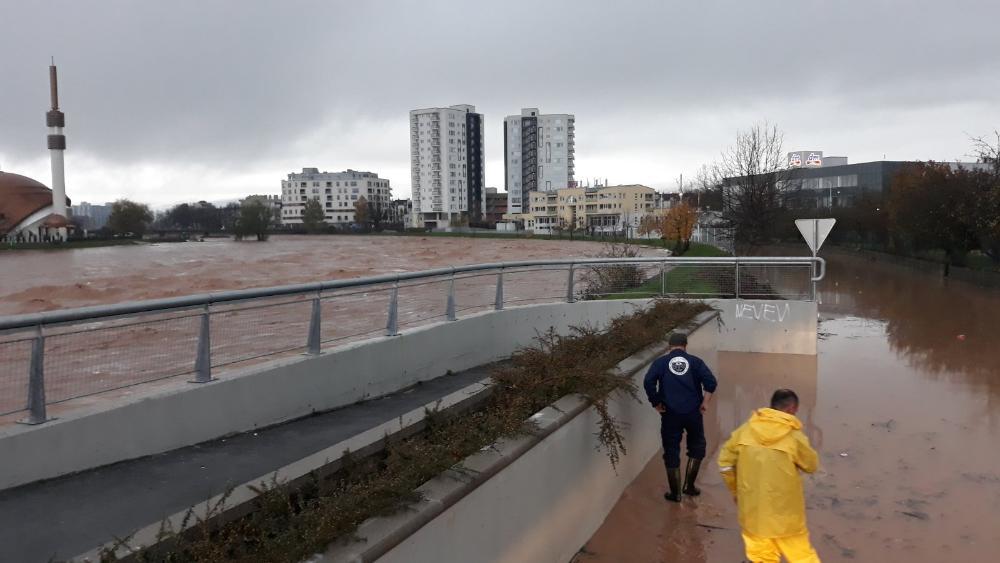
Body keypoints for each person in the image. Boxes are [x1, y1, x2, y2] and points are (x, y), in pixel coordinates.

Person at [718, 389, 821, 563]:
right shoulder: (795, 437)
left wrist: (737, 492)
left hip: (753, 513)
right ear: (791, 409)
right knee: (802, 557)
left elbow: (725, 464)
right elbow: (811, 465)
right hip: (787, 516)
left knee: (761, 558)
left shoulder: (744, 431)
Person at [642, 331, 717, 502]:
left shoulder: (660, 363)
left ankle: (675, 494)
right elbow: (711, 382)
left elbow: (648, 382)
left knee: (671, 450)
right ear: (685, 346)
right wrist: (705, 403)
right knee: (697, 447)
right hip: (693, 413)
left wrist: (656, 403)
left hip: (670, 414)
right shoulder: (695, 362)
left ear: (669, 346)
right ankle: (689, 487)